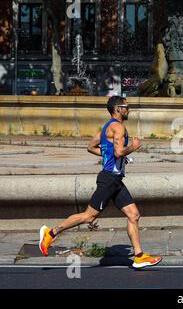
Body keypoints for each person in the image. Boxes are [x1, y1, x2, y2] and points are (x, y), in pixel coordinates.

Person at [39, 96, 162, 268]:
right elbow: (119, 152)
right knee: (89, 217)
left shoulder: (106, 128)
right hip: (109, 180)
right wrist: (132, 148)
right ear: (118, 109)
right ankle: (51, 233)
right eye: (126, 107)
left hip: (115, 180)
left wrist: (110, 156)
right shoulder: (119, 127)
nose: (129, 109)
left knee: (133, 215)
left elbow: (91, 147)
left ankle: (139, 256)